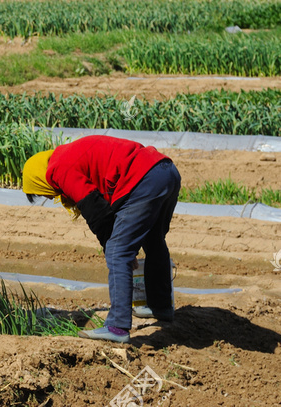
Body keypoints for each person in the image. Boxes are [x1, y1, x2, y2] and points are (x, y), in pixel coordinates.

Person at [22, 135, 181, 344]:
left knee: (117, 250)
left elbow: (96, 210)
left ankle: (117, 326)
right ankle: (161, 307)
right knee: (153, 240)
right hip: (165, 171)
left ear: (39, 179)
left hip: (143, 179)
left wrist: (120, 250)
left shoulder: (57, 169)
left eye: (44, 194)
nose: (51, 198)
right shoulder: (68, 155)